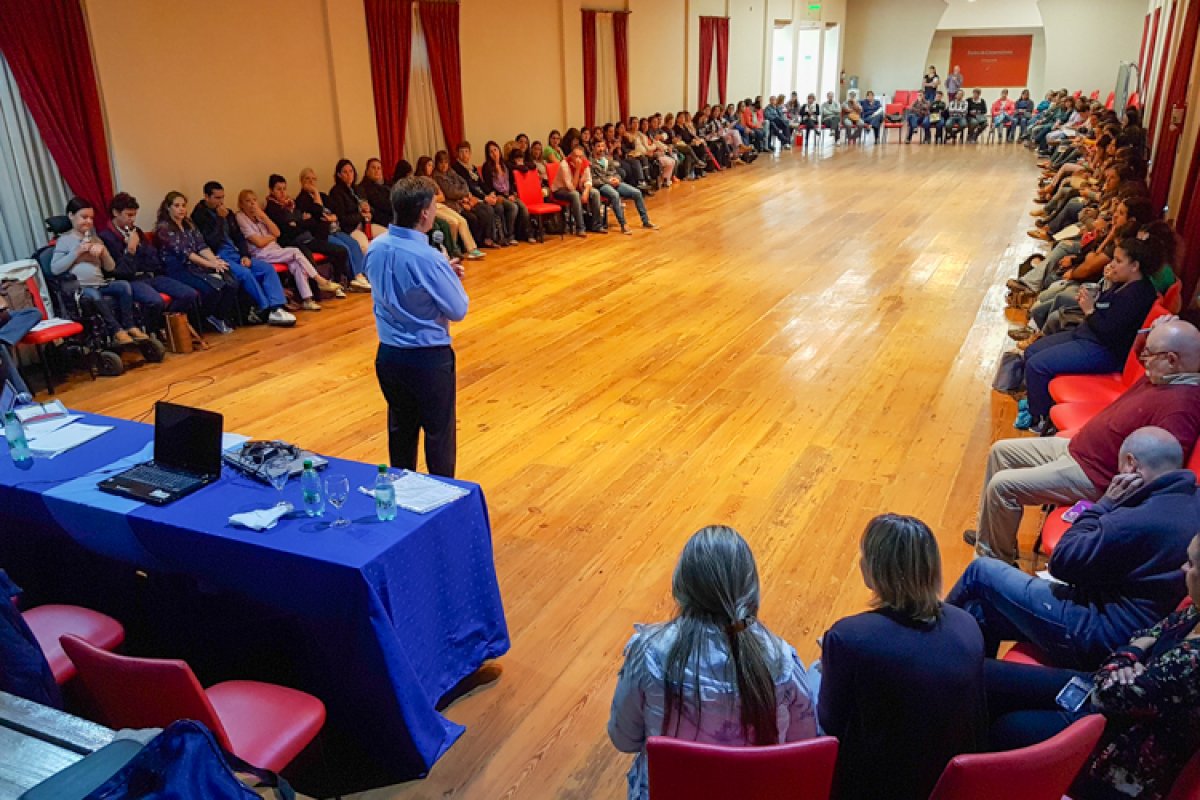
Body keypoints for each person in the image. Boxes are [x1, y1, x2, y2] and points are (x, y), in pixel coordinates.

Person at [948, 427, 1197, 668]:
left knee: (980, 571)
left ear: (1131, 466)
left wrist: (1105, 503)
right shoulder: (1193, 502)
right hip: (1136, 624)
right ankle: (967, 682)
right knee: (978, 612)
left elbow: (1062, 561)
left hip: (1098, 633)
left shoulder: (1134, 520)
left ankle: (929, 644)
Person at [983, 533, 1200, 800]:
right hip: (1112, 695)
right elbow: (1149, 633)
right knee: (986, 677)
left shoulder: (1192, 661)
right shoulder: (1195, 609)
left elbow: (1110, 694)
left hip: (1123, 755)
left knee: (1007, 728)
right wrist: (1131, 656)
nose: (1182, 568)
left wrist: (1127, 658)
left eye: (1191, 564)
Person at [964, 320, 1200, 565]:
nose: (1144, 358)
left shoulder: (1181, 407)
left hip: (1093, 474)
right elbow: (1143, 354)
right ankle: (991, 539)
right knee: (1000, 452)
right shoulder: (1165, 375)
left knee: (1003, 486)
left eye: (1150, 353)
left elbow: (1160, 471)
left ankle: (994, 561)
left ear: (1171, 359)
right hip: (1078, 449)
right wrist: (1150, 333)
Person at [607, 525, 817, 800]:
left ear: (680, 585)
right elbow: (802, 744)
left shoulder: (649, 653)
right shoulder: (782, 660)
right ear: (751, 590)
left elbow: (623, 739)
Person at [820, 514, 986, 800]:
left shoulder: (848, 637)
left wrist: (829, 663)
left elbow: (830, 722)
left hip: (875, 786)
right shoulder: (967, 625)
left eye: (864, 554)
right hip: (948, 783)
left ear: (877, 569)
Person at [367, 177, 467, 478]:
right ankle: (441, 497)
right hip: (427, 358)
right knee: (438, 437)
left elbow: (394, 287)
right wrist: (444, 274)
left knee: (401, 432)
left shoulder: (375, 247)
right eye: (435, 206)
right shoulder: (429, 258)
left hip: (389, 355)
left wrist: (439, 274)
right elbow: (458, 309)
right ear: (424, 213)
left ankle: (402, 493)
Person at [1021, 234, 1160, 433]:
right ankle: (1043, 406)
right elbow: (1105, 308)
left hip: (1104, 350)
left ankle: (1039, 420)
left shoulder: (1139, 294)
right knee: (1032, 352)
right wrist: (1106, 286)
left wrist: (1089, 310)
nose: (1112, 264)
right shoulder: (1124, 283)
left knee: (1037, 366)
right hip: (1088, 335)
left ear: (1134, 266)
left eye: (1118, 261)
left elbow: (1109, 330)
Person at [191, 181, 296, 326]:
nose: (221, 202)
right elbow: (210, 241)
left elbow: (239, 237)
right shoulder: (199, 216)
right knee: (245, 274)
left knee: (267, 268)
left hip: (236, 252)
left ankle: (277, 306)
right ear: (206, 197)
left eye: (222, 197)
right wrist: (220, 220)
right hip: (218, 256)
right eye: (217, 198)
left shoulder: (228, 213)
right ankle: (265, 308)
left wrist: (245, 255)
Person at [50, 197, 149, 345]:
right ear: (71, 216)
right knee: (94, 295)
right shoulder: (64, 240)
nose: (88, 221)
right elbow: (55, 269)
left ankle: (130, 326)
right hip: (81, 288)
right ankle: (116, 331)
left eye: (91, 218)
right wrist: (76, 252)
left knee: (124, 286)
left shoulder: (96, 239)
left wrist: (103, 252)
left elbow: (110, 268)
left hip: (100, 284)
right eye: (84, 217)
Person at [100, 192, 199, 334]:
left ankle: (165, 325)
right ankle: (154, 332)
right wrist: (131, 250)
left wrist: (139, 248)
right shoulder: (106, 237)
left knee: (189, 294)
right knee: (155, 301)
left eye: (134, 215)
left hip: (150, 275)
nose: (132, 219)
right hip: (130, 281)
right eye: (129, 215)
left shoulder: (137, 231)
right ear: (116, 213)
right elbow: (120, 272)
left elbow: (153, 258)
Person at [236, 189, 344, 311]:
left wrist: (264, 217)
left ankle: (307, 300)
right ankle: (319, 279)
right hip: (261, 253)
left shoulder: (260, 216)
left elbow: (277, 233)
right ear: (241, 204)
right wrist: (272, 237)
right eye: (248, 201)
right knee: (295, 252)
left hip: (275, 249)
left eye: (254, 200)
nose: (252, 204)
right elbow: (259, 243)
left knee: (296, 264)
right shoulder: (240, 217)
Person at [155, 191, 239, 335]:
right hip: (177, 269)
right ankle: (203, 318)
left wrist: (215, 260)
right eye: (177, 206)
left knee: (231, 282)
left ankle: (218, 317)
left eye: (183, 205)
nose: (181, 209)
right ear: (168, 208)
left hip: (196, 266)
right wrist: (210, 265)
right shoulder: (164, 228)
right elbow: (187, 253)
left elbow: (201, 246)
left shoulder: (188, 224)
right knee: (212, 289)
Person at [263, 174, 356, 289]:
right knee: (307, 256)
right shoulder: (272, 209)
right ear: (271, 190)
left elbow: (311, 220)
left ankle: (337, 283)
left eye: (284, 189)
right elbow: (288, 229)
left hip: (308, 238)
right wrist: (300, 220)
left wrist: (297, 222)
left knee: (341, 251)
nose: (282, 192)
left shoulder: (291, 204)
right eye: (278, 189)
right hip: (292, 242)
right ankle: (316, 289)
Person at [294, 167, 372, 291]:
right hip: (322, 234)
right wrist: (315, 194)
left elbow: (336, 211)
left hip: (335, 229)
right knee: (344, 248)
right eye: (307, 179)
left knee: (354, 244)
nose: (311, 182)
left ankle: (360, 275)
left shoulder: (323, 196)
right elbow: (319, 212)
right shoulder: (301, 200)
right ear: (301, 181)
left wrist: (333, 217)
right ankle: (353, 278)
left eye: (313, 179)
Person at [417, 155, 486, 259]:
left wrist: (434, 198)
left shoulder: (432, 179)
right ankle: (452, 249)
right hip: (430, 208)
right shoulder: (419, 181)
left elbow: (442, 197)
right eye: (429, 165)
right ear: (422, 166)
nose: (431, 168)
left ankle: (472, 249)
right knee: (453, 222)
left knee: (462, 220)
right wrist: (435, 198)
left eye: (432, 165)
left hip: (440, 205)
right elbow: (425, 198)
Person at [433, 149, 497, 249]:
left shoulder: (451, 171)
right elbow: (451, 193)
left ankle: (486, 239)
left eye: (446, 162)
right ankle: (474, 243)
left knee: (487, 210)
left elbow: (463, 182)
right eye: (441, 163)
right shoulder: (437, 176)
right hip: (454, 204)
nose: (444, 165)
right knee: (473, 218)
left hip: (464, 199)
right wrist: (464, 195)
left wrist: (465, 194)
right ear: (437, 163)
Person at [590, 140, 657, 235]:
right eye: (598, 146)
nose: (601, 149)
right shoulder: (590, 162)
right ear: (593, 147)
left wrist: (617, 179)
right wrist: (608, 181)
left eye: (602, 146)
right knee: (615, 195)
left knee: (637, 193)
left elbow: (616, 172)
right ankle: (623, 224)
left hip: (614, 182)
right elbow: (593, 180)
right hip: (602, 185)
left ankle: (646, 221)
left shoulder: (607, 159)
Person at [329, 159, 384, 253]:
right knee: (365, 247)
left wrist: (369, 210)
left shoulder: (359, 189)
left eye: (351, 171)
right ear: (339, 175)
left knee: (387, 236)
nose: (349, 174)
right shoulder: (336, 192)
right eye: (345, 172)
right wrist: (361, 215)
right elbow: (342, 218)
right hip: (351, 229)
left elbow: (371, 209)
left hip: (366, 224)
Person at [480, 140, 529, 246]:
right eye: (491, 152)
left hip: (508, 193)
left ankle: (526, 234)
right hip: (498, 195)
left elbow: (510, 181)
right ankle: (510, 236)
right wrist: (502, 196)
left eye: (495, 150)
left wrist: (511, 193)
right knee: (513, 207)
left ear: (499, 150)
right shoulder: (487, 167)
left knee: (523, 207)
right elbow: (489, 186)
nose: (494, 153)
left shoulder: (505, 165)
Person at [551, 147, 599, 236]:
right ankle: (580, 228)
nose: (578, 159)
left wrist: (586, 191)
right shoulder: (564, 165)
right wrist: (577, 169)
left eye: (580, 157)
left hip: (578, 188)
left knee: (595, 193)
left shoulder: (585, 163)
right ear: (571, 156)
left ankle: (596, 225)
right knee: (575, 194)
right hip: (560, 190)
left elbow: (589, 180)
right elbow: (571, 187)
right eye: (576, 156)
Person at [359, 157, 393, 228]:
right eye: (373, 168)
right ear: (367, 171)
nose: (376, 171)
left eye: (379, 168)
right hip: (377, 222)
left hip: (390, 218)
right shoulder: (363, 187)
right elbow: (381, 204)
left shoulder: (385, 185)